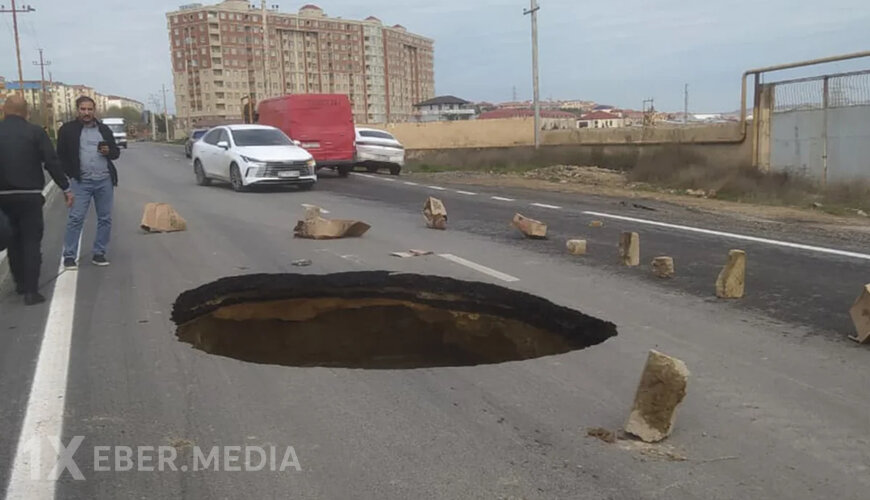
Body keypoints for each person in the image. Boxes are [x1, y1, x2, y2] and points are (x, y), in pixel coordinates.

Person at [0, 94, 74, 305]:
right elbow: (51, 162)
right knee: (31, 241)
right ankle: (31, 292)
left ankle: (20, 283)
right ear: (27, 113)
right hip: (29, 195)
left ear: (4, 110)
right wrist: (66, 188)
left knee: (13, 242)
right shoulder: (35, 133)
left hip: (2, 198)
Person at [57, 96, 120, 269]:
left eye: (90, 109)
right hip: (81, 182)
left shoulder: (104, 129)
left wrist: (108, 151)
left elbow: (115, 153)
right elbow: (60, 156)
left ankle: (99, 253)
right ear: (77, 110)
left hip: (104, 180)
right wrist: (69, 177)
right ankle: (69, 255)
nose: (86, 113)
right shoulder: (68, 130)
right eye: (83, 109)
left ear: (94, 110)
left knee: (105, 218)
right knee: (76, 218)